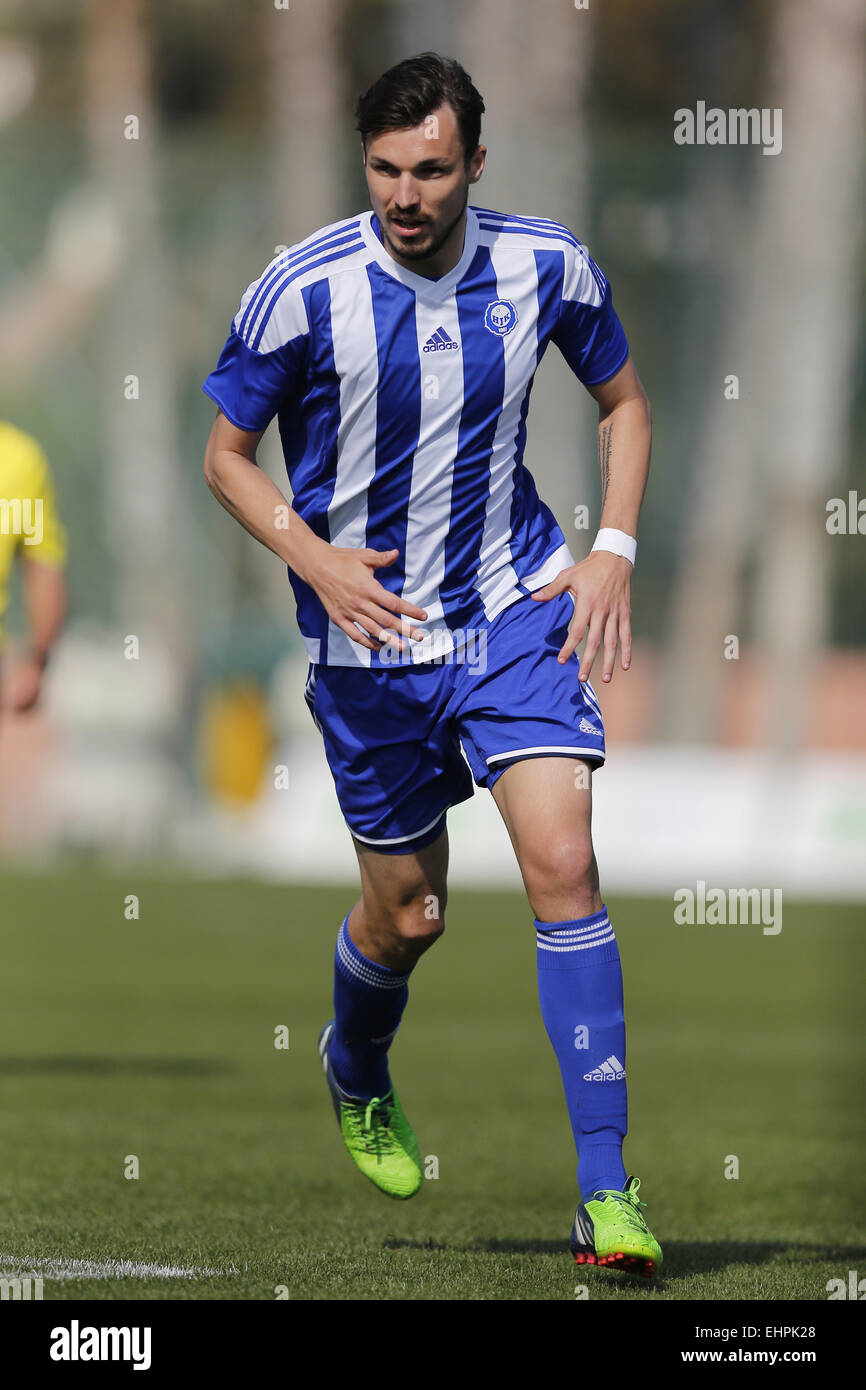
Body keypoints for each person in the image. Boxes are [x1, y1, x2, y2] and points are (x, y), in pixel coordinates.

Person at [202, 52, 661, 1277]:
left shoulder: (544, 264)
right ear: (368, 165)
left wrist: (609, 548)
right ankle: (353, 1060)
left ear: (474, 164)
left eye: (432, 169)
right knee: (410, 915)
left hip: (512, 610)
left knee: (562, 858)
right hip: (369, 644)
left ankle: (607, 1192)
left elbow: (623, 403)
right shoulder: (301, 290)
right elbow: (225, 457)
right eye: (387, 169)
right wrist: (319, 561)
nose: (408, 193)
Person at [0, 419, 67, 713]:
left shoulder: (21, 460)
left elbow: (43, 570)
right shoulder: (17, 458)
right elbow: (44, 567)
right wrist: (36, 662)